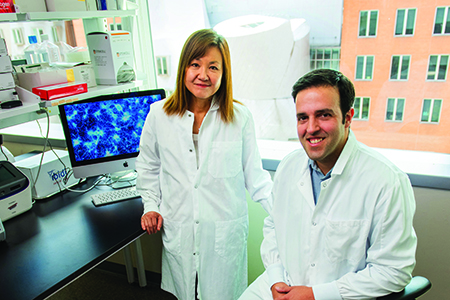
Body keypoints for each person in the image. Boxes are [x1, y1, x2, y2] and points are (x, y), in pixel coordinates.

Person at [239, 69, 417, 300]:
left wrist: (316, 294)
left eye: (324, 115)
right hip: (282, 285)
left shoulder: (386, 181)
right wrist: (276, 279)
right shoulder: (288, 167)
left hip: (338, 295)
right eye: (303, 117)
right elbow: (274, 226)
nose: (311, 128)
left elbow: (393, 271)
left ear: (348, 117)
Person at [135, 29, 272, 300]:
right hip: (180, 228)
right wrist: (150, 205)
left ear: (224, 73)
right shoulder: (158, 115)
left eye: (213, 67)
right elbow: (148, 166)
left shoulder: (239, 117)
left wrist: (287, 213)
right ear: (183, 68)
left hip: (223, 235)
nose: (203, 75)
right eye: (195, 64)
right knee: (186, 292)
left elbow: (256, 178)